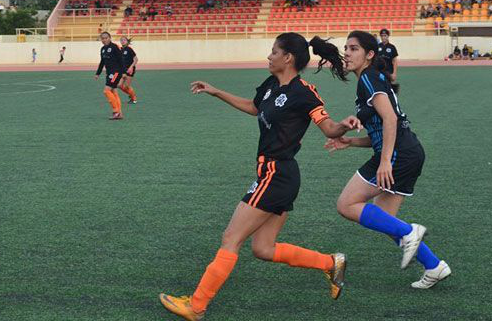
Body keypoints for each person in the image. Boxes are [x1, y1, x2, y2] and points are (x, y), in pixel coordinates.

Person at [159, 33, 365, 320]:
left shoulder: (304, 92)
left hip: (277, 173)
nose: (269, 57)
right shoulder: (270, 85)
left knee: (231, 237)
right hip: (274, 174)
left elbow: (328, 127)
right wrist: (216, 91)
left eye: (273, 52)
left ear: (287, 58)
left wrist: (343, 125)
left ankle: (196, 306)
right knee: (263, 248)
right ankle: (331, 263)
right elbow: (254, 107)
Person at [324, 30, 451, 290]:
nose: (346, 53)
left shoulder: (369, 78)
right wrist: (351, 142)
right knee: (385, 219)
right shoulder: (370, 79)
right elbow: (382, 130)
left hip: (399, 154)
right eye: (346, 47)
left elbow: (391, 119)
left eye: (353, 48)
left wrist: (385, 162)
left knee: (346, 204)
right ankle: (434, 266)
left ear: (369, 55)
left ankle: (410, 231)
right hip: (407, 150)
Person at [95, 32, 125, 120]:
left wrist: (123, 72)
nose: (104, 40)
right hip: (109, 73)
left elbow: (121, 60)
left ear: (110, 38)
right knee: (114, 92)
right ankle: (120, 113)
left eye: (106, 38)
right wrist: (98, 73)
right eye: (102, 38)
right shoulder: (103, 49)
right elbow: (102, 62)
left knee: (106, 90)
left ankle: (116, 111)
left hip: (116, 72)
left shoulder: (114, 47)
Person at [119, 37, 138, 104]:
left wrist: (131, 67)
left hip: (130, 69)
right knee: (119, 85)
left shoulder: (129, 49)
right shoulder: (120, 50)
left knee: (127, 86)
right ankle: (132, 94)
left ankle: (134, 98)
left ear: (127, 41)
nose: (122, 41)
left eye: (124, 40)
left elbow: (136, 59)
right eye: (121, 40)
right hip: (123, 70)